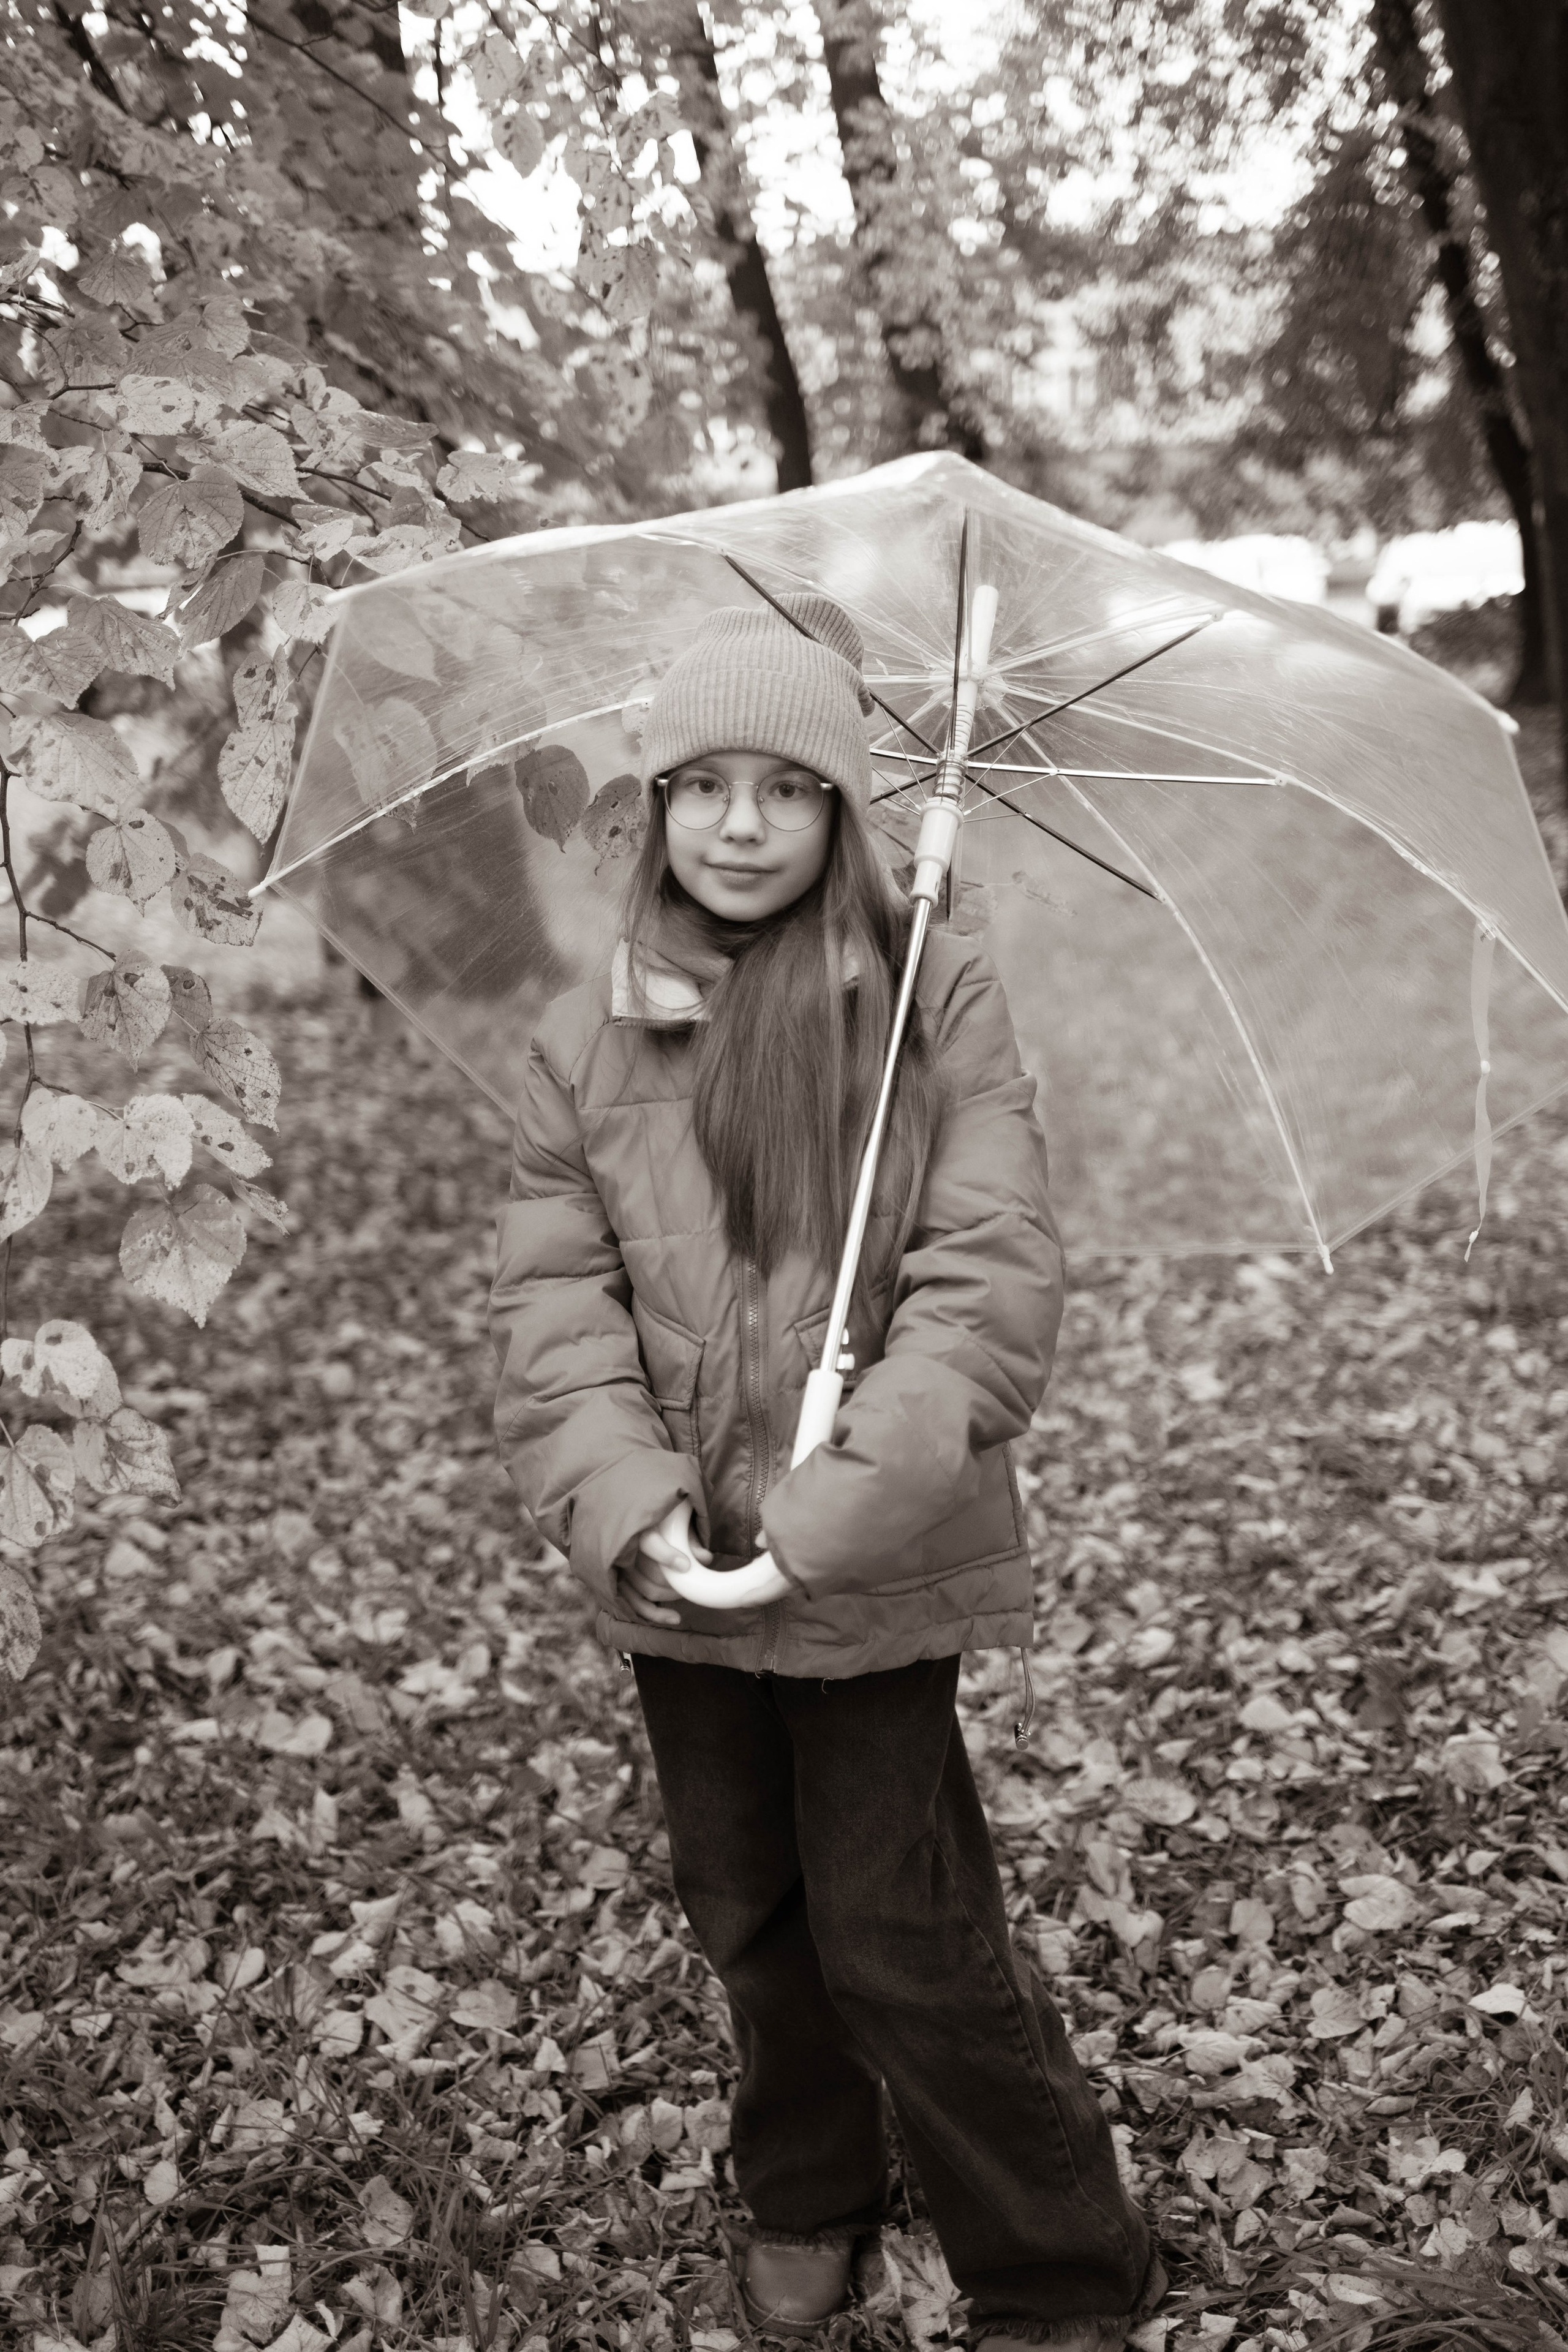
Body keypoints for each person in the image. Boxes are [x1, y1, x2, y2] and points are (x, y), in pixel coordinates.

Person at [489, 594, 1164, 2350]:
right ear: (647, 812)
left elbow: (988, 1288)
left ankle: (1057, 2259)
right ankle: (808, 2183)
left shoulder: (927, 998)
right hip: (678, 1574)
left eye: (785, 788)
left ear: (849, 812)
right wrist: (629, 1504)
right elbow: (555, 1313)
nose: (736, 824)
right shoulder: (584, 1041)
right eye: (698, 785)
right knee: (748, 1910)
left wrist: (829, 1517)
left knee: (899, 1928)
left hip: (864, 1563)